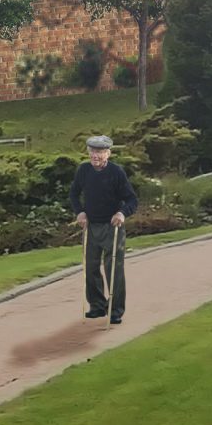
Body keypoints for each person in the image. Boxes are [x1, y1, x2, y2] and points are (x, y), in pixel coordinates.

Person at [69, 135, 138, 324]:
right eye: (92, 151)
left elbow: (132, 199)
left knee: (113, 269)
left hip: (112, 227)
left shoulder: (116, 172)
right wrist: (80, 212)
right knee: (90, 267)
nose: (95, 155)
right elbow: (74, 193)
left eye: (100, 152)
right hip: (90, 226)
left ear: (108, 153)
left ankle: (115, 310)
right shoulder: (83, 170)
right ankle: (97, 306)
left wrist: (122, 213)